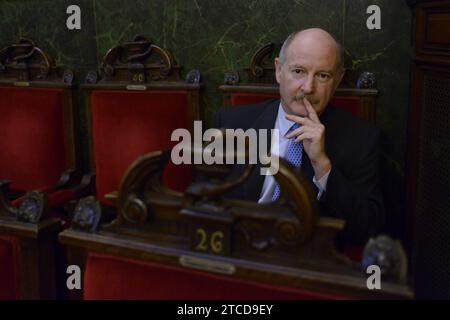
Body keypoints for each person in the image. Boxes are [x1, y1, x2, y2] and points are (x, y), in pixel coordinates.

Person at [214, 28, 384, 245]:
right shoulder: (230, 123)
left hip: (309, 263)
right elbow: (204, 201)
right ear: (278, 70)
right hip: (239, 249)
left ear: (338, 80)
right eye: (298, 71)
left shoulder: (363, 140)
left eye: (323, 76)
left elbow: (367, 228)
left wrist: (322, 166)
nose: (308, 87)